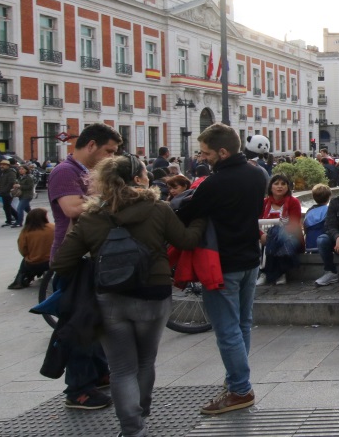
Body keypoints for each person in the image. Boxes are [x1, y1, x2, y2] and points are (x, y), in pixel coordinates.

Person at [53, 154, 206, 437]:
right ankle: (142, 411)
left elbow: (60, 263)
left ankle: (132, 429)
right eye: (145, 173)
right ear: (137, 178)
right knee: (145, 361)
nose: (148, 177)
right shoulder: (157, 208)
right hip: (153, 293)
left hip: (110, 296)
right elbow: (186, 240)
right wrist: (199, 220)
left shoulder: (92, 215)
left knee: (122, 368)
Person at [176, 123, 268, 415]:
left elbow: (186, 214)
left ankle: (240, 389)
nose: (203, 158)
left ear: (223, 151)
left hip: (221, 263)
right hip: (250, 260)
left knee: (226, 329)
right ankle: (235, 380)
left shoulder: (213, 184)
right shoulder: (259, 175)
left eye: (206, 153)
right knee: (242, 323)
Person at [47, 122, 120, 409]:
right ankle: (78, 388)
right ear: (91, 145)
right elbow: (72, 208)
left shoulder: (85, 172)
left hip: (90, 256)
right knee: (81, 323)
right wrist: (109, 195)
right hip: (72, 257)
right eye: (108, 151)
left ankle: (98, 372)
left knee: (95, 319)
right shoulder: (65, 171)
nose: (111, 158)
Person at [257, 175, 304, 286]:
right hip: (265, 236)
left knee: (277, 235)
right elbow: (255, 222)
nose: (280, 187)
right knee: (271, 238)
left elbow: (293, 224)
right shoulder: (263, 203)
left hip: (289, 237)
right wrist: (261, 235)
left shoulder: (293, 202)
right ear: (271, 187)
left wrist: (274, 235)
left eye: (283, 184)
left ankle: (267, 272)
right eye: (276, 183)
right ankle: (278, 273)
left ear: (288, 187)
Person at [7, 208, 54, 289]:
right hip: (52, 261)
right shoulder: (53, 228)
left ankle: (20, 280)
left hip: (33, 263)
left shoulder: (26, 232)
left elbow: (23, 251)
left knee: (25, 261)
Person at [303, 184, 332, 255]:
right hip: (324, 246)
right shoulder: (328, 210)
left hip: (310, 246)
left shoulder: (309, 211)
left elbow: (305, 228)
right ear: (329, 197)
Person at [12, 163, 38, 227]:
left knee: (19, 208)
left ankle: (19, 222)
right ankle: (36, 220)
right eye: (20, 169)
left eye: (22, 169)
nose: (20, 170)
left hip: (27, 195)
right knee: (27, 209)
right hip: (21, 195)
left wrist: (20, 186)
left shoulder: (29, 177)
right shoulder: (20, 177)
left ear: (26, 170)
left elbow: (30, 186)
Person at [0, 159, 17, 226]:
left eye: (3, 165)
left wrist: (4, 190)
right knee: (6, 206)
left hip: (8, 192)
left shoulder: (11, 172)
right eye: (1, 165)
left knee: (7, 206)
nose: (1, 166)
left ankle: (11, 219)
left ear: (8, 166)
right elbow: (1, 182)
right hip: (3, 192)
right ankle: (12, 219)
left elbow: (11, 182)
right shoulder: (2, 172)